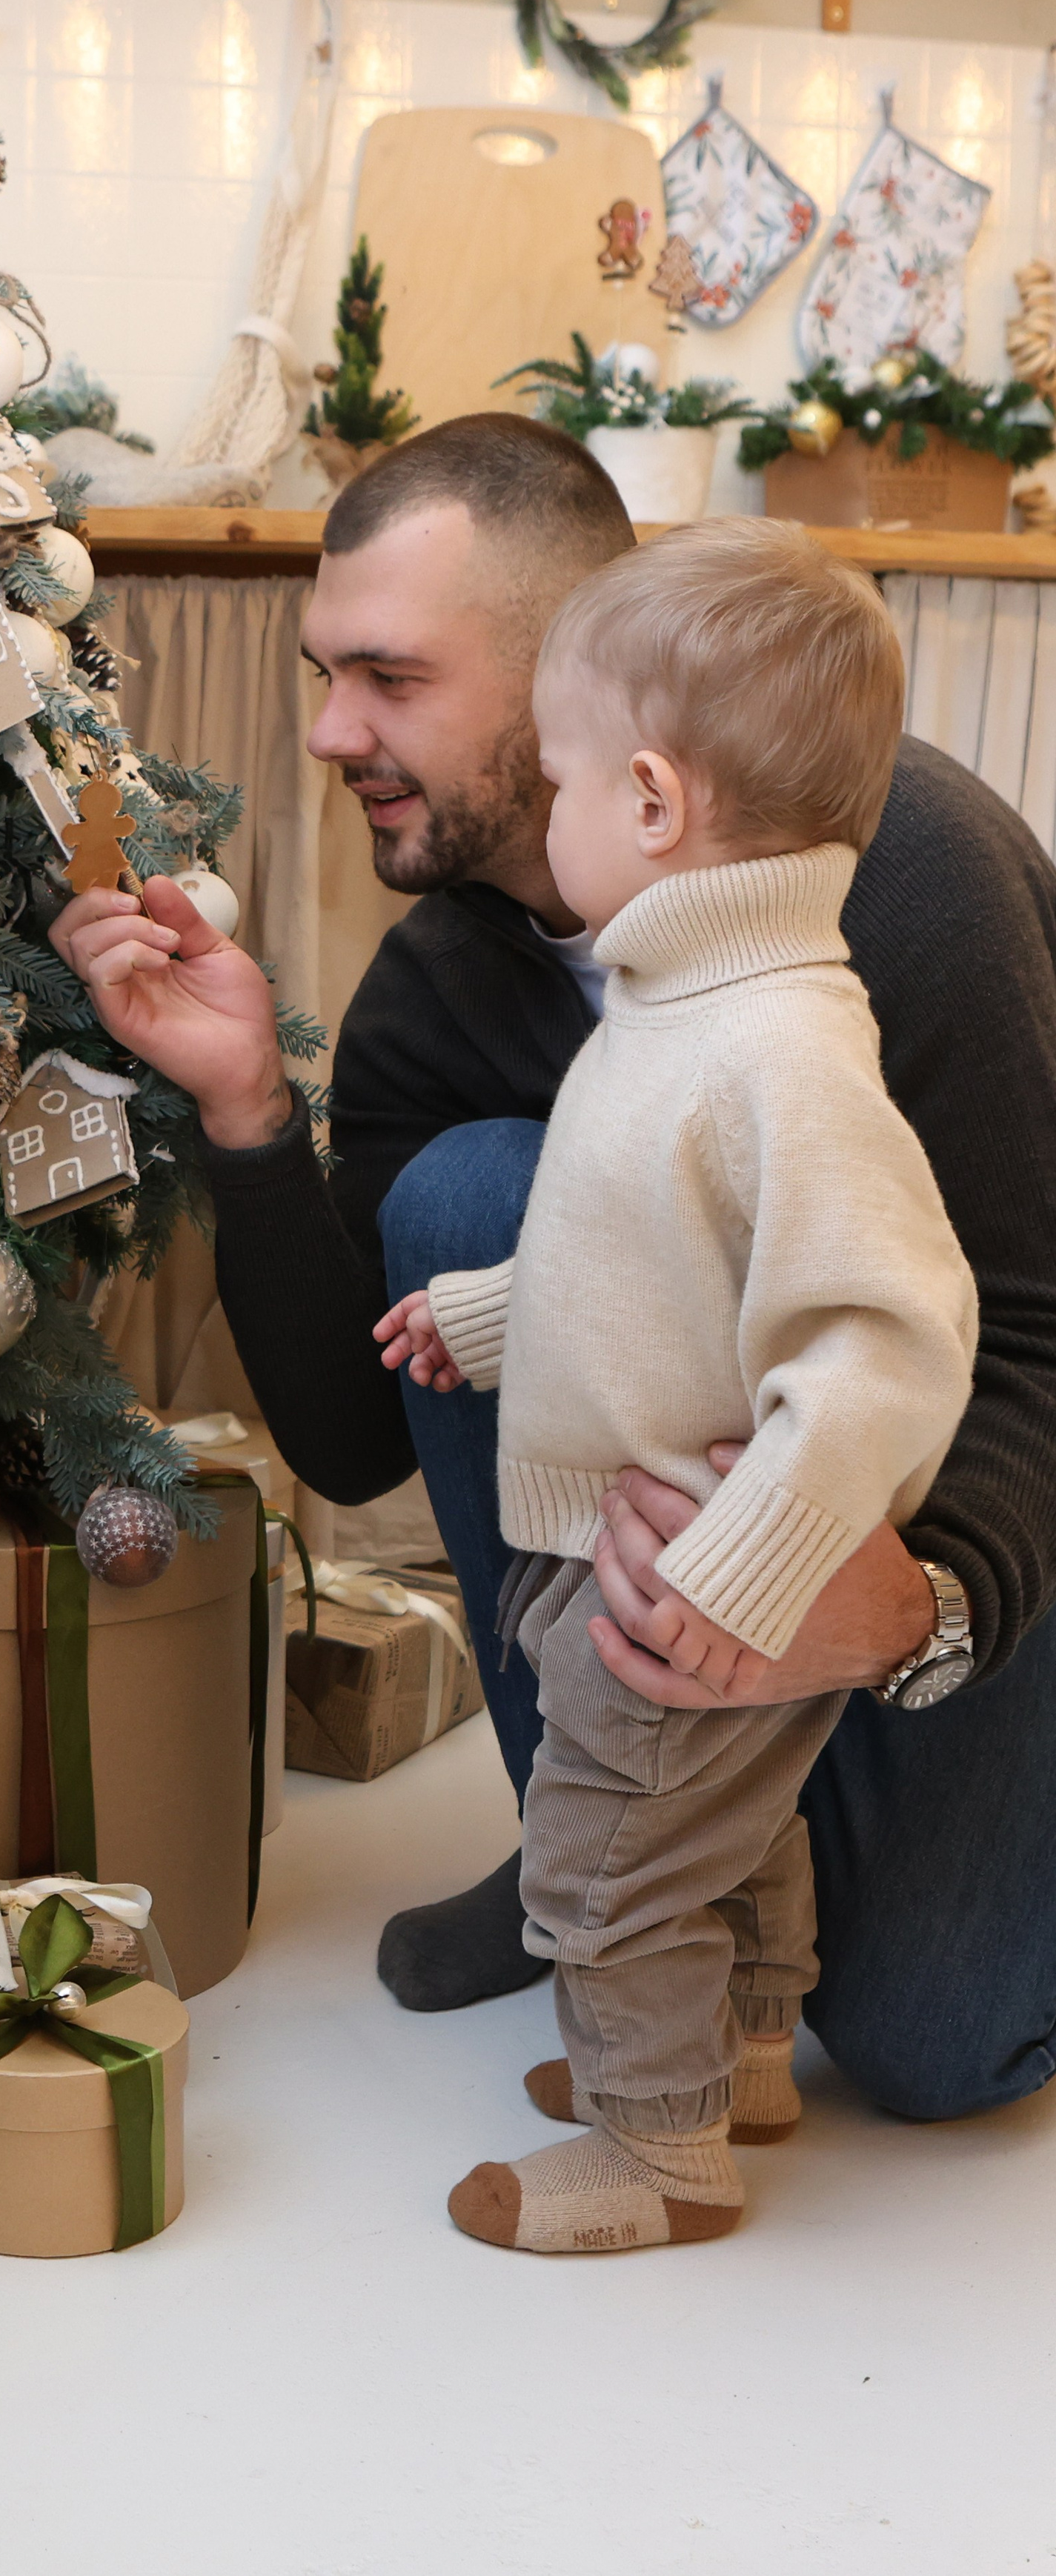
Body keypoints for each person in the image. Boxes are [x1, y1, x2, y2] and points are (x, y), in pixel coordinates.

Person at [48, 413, 1056, 2125]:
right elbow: (357, 1434)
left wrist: (919, 1606)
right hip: (681, 1568)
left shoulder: (905, 887)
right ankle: (604, 1831)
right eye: (321, 675)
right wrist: (240, 1106)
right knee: (470, 1199)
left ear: (569, 676)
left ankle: (778, 1845)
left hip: (932, 1521)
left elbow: (1023, 1331)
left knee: (930, 2048)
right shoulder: (443, 980)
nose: (327, 732)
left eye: (386, 677)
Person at [375, 519, 975, 2250]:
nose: (544, 815)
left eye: (558, 780)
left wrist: (748, 1561)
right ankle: (741, 2054)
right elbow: (647, 1250)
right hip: (670, 1532)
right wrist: (490, 1319)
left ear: (648, 801)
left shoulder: (775, 1041)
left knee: (605, 1856)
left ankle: (658, 2152)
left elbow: (892, 1330)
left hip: (680, 1571)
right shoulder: (680, 1000)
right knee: (733, 1822)